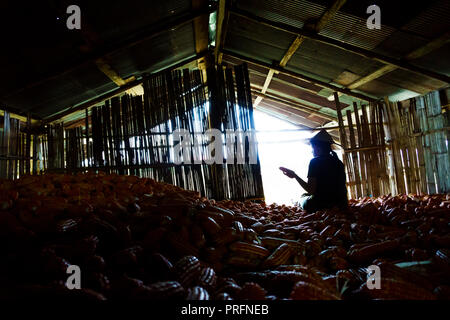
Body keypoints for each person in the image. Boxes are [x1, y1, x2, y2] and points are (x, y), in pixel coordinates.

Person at [279, 129, 348, 213]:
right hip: (342, 204)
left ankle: (299, 202)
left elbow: (311, 190)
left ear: (318, 148)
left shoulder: (315, 162)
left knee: (303, 198)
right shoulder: (338, 162)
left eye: (313, 148)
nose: (312, 151)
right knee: (307, 196)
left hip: (321, 205)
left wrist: (295, 175)